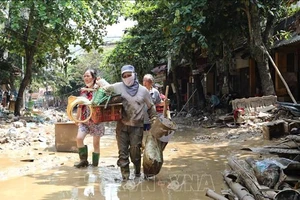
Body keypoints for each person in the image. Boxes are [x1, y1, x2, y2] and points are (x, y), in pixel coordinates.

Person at [102, 65, 157, 180]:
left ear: (134, 75)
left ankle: (137, 173)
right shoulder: (117, 87)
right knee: (123, 154)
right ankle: (125, 179)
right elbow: (104, 90)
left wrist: (154, 120)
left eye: (129, 75)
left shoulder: (143, 90)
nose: (127, 78)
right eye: (124, 76)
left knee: (135, 154)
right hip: (121, 125)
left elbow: (151, 106)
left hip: (137, 127)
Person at [74, 68, 108, 168]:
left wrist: (100, 82)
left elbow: (110, 89)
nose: (86, 78)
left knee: (96, 144)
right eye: (84, 76)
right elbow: (80, 105)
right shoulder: (83, 91)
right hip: (84, 120)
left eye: (88, 76)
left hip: (97, 121)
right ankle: (83, 161)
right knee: (79, 139)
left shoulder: (99, 89)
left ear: (93, 78)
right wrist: (77, 118)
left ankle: (95, 166)